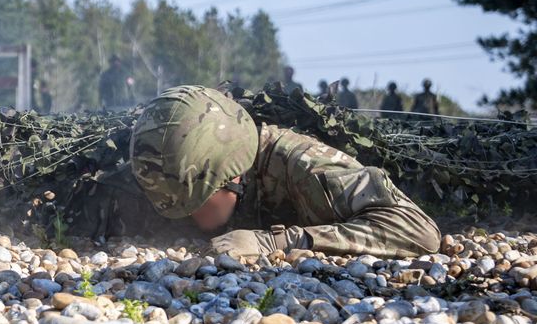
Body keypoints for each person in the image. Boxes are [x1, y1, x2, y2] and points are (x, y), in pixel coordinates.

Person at [128, 86, 440, 258]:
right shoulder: (172, 171)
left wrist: (276, 243)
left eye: (197, 203)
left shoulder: (309, 167)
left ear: (234, 174)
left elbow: (419, 231)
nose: (189, 215)